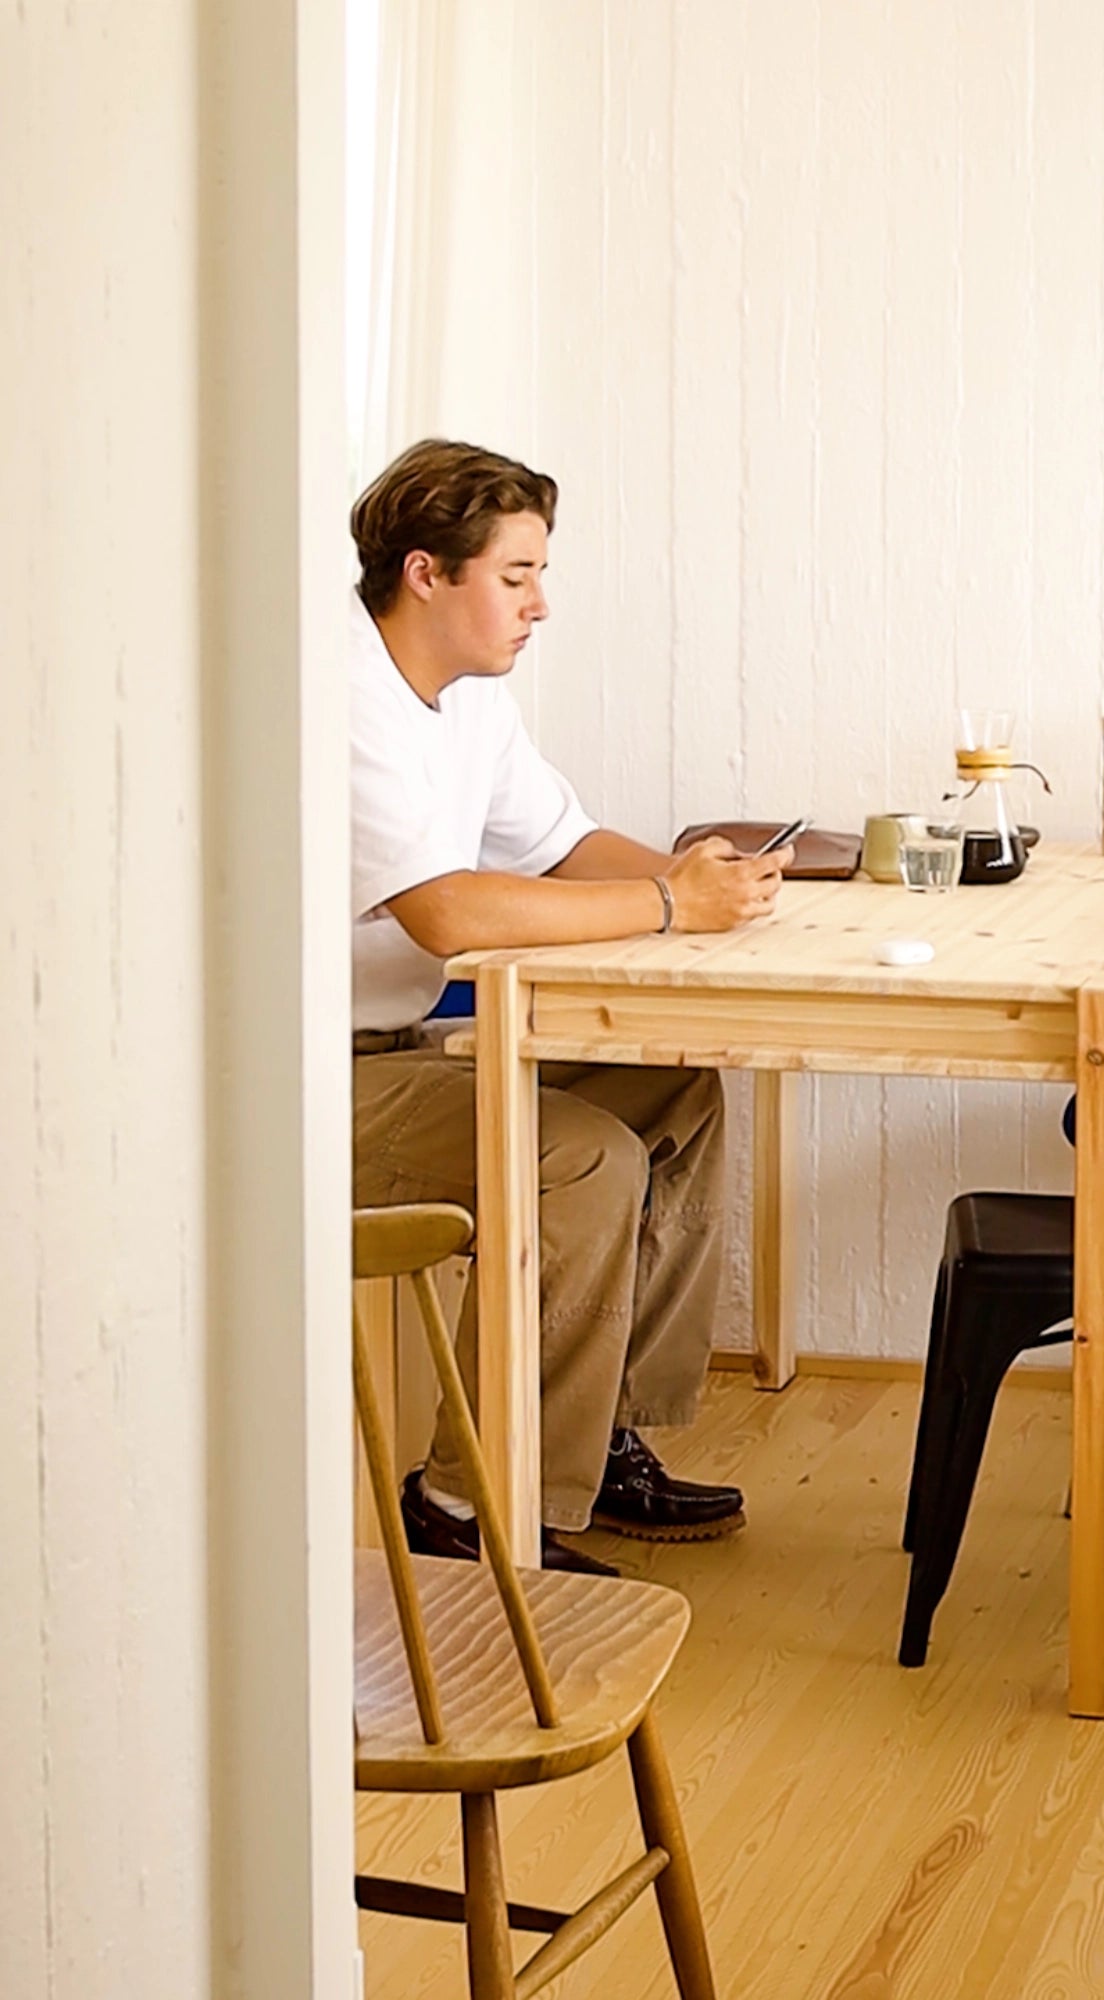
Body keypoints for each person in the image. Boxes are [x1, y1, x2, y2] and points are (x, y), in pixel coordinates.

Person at [349, 438, 790, 1574]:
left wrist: (717, 889)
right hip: (312, 1082)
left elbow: (561, 845)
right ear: (426, 574)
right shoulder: (344, 705)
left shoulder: (466, 703)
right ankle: (468, 1503)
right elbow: (446, 913)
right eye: (516, 575)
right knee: (580, 1158)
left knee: (676, 1087)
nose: (541, 603)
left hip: (406, 1049)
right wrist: (665, 901)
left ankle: (600, 1442)